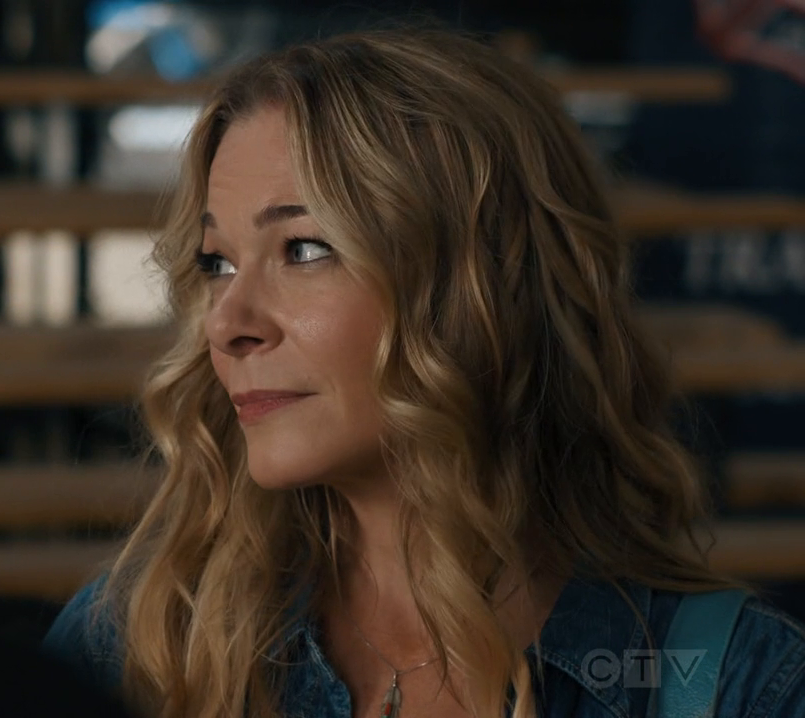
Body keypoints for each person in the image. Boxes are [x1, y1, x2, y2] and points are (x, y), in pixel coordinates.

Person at [42, 27, 805, 718]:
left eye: (304, 250)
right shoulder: (135, 646)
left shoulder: (736, 686)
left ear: (483, 287)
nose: (227, 323)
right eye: (217, 263)